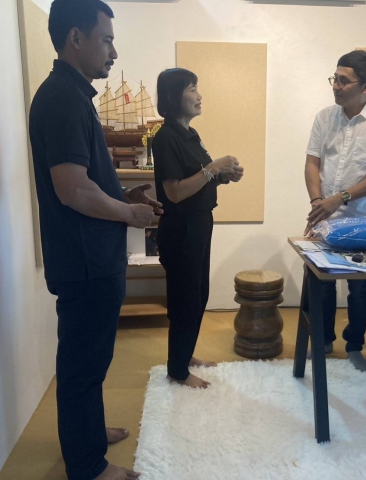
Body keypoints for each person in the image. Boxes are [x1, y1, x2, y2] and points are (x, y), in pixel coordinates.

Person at [29, 1, 162, 478]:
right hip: (86, 262)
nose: (113, 51)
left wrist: (124, 196)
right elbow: (72, 189)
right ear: (75, 38)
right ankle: (88, 467)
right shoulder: (64, 99)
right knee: (83, 365)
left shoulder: (70, 95)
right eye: (106, 39)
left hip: (89, 257)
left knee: (89, 360)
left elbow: (85, 183)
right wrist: (129, 213)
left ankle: (87, 432)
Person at [304, 50, 366, 372]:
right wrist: (318, 202)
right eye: (334, 79)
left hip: (362, 220)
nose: (336, 86)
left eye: (343, 81)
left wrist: (340, 198)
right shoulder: (324, 117)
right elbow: (312, 163)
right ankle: (323, 340)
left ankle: (354, 346)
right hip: (323, 214)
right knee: (321, 281)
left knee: (359, 286)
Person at [152, 68, 244, 389]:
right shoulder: (166, 137)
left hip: (200, 223)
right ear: (174, 96)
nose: (199, 95)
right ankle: (177, 371)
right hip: (182, 229)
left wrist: (223, 175)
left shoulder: (190, 134)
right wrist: (213, 167)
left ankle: (184, 355)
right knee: (186, 298)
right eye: (192, 89)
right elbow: (175, 192)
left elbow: (199, 179)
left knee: (197, 294)